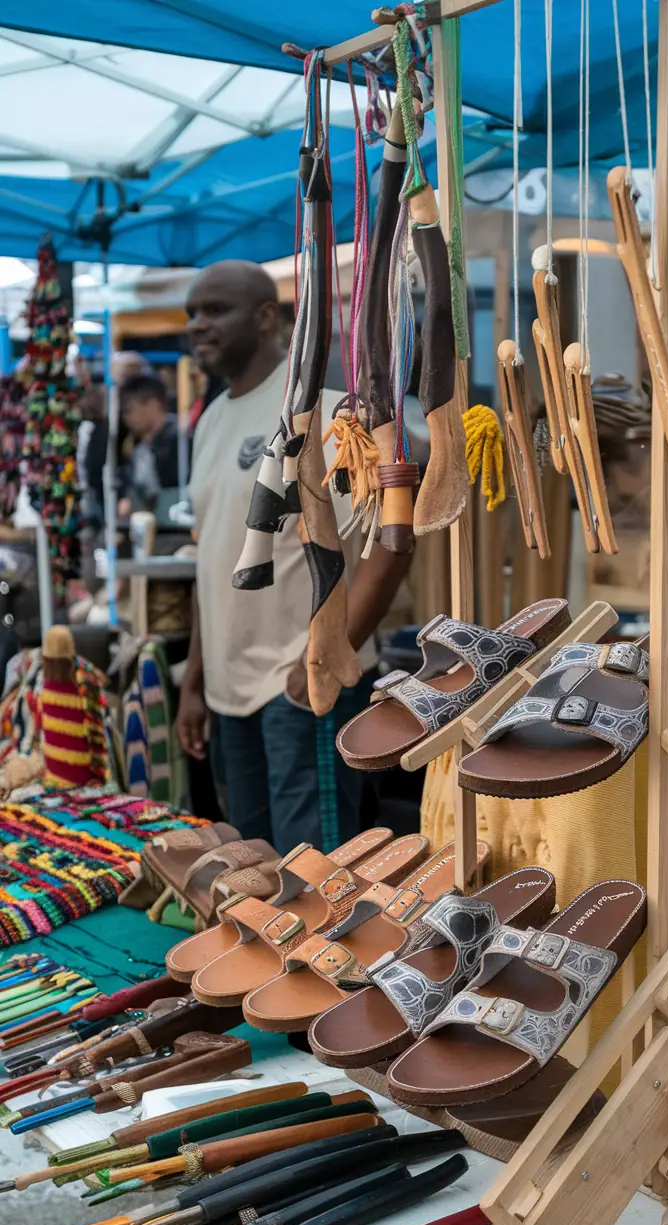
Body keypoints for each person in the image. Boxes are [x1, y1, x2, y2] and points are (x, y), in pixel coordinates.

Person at [177, 259, 410, 854]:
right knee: (255, 866)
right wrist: (195, 681)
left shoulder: (327, 410)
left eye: (214, 310)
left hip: (300, 685)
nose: (197, 325)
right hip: (231, 696)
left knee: (319, 876)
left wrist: (334, 654)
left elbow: (395, 538)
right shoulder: (208, 423)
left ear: (265, 317)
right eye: (192, 314)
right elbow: (214, 560)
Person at [118, 374, 180, 515]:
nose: (126, 418)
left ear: (153, 404)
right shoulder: (139, 448)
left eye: (129, 410)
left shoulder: (179, 441)